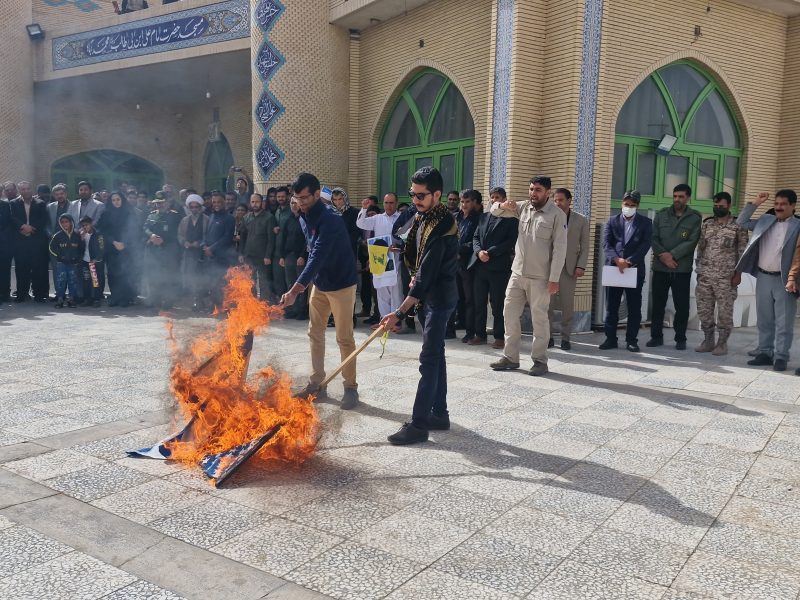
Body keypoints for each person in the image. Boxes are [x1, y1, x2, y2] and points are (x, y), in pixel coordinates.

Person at [380, 167, 459, 445]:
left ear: (437, 194)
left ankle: (419, 425)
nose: (415, 200)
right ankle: (439, 413)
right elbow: (415, 253)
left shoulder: (443, 225)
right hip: (428, 297)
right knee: (436, 355)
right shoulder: (422, 216)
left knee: (429, 359)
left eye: (421, 195)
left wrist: (399, 313)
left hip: (439, 298)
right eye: (412, 194)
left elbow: (426, 275)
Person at [279, 173, 360, 410]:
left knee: (344, 337)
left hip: (342, 284)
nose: (301, 203)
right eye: (297, 199)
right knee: (315, 333)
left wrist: (295, 290)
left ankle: (350, 387)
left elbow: (317, 255)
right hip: (321, 283)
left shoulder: (330, 219)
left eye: (305, 198)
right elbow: (310, 247)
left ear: (317, 194)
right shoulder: (304, 216)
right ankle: (316, 384)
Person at [490, 176, 567, 376]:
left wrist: (554, 279)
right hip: (517, 273)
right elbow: (494, 211)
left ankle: (540, 361)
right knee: (509, 314)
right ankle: (510, 357)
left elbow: (560, 249)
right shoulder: (523, 207)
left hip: (540, 278)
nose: (533, 193)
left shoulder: (557, 215)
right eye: (531, 189)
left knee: (539, 320)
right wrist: (502, 205)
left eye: (538, 190)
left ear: (548, 192)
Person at [736, 190, 800, 371]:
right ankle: (765, 352)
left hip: (785, 280)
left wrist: (793, 278)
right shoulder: (765, 220)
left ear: (793, 206)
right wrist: (756, 202)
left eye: (783, 204)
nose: (779, 207)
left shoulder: (798, 226)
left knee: (784, 322)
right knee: (764, 319)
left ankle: (781, 357)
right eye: (777, 203)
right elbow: (741, 222)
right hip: (763, 276)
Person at [647, 184, 702, 350]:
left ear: (688, 198)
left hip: (681, 269)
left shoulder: (694, 217)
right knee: (658, 305)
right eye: (675, 196)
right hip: (661, 268)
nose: (677, 199)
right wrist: (663, 256)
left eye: (681, 197)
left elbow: (692, 241)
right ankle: (656, 336)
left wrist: (672, 255)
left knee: (682, 307)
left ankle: (680, 338)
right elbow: (653, 237)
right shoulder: (661, 214)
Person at [694, 192, 748, 355]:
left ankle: (722, 343)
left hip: (726, 277)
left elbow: (743, 252)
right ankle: (708, 340)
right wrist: (699, 270)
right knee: (704, 310)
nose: (718, 209)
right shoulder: (707, 224)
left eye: (721, 206)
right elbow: (701, 248)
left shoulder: (738, 226)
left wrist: (738, 274)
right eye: (715, 206)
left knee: (725, 312)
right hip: (705, 275)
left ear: (729, 205)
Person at [599, 191, 653, 352]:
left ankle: (632, 340)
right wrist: (617, 259)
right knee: (612, 307)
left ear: (637, 206)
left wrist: (629, 261)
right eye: (626, 204)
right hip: (614, 269)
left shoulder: (646, 222)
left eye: (632, 205)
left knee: (634, 308)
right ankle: (610, 339)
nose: (629, 207)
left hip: (634, 270)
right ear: (622, 203)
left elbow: (646, 244)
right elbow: (606, 243)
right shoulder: (612, 221)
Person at [470, 186, 518, 349]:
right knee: (479, 302)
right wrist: (478, 252)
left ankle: (499, 336)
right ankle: (480, 334)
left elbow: (510, 242)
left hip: (498, 267)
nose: (494, 200)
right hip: (480, 266)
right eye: (492, 197)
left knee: (498, 304)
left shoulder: (511, 219)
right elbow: (476, 237)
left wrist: (490, 252)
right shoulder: (484, 217)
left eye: (497, 197)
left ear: (504, 199)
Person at [547, 188, 589, 351]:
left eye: (561, 200)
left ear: (569, 201)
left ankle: (566, 338)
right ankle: (548, 336)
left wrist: (581, 265)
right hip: (550, 267)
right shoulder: (549, 217)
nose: (557, 203)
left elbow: (585, 246)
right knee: (547, 305)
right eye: (555, 200)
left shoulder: (581, 220)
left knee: (567, 305)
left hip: (569, 268)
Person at [355, 192, 405, 325]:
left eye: (391, 203)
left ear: (396, 203)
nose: (389, 206)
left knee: (395, 291)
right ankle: (384, 320)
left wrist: (398, 246)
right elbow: (361, 223)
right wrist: (364, 209)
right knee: (382, 290)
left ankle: (395, 321)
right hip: (379, 258)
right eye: (386, 203)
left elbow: (407, 238)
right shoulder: (377, 218)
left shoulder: (401, 218)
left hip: (395, 258)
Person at [10, 181, 50, 302]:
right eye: (23, 189)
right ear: (19, 191)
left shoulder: (40, 203)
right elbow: (11, 218)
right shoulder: (13, 203)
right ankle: (22, 294)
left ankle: (39, 294)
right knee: (21, 268)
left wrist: (31, 228)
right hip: (20, 240)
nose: (26, 191)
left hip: (36, 240)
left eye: (28, 188)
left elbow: (44, 219)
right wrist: (22, 226)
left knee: (38, 268)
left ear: (31, 190)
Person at [98, 192, 138, 307]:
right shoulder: (106, 213)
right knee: (112, 273)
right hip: (111, 248)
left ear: (122, 200)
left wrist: (125, 243)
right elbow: (103, 231)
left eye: (118, 199)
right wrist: (114, 242)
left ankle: (126, 297)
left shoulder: (129, 213)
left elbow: (135, 230)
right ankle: (115, 296)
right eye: (114, 200)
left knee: (125, 272)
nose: (116, 202)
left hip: (127, 248)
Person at [143, 194, 182, 309]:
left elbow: (177, 232)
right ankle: (155, 300)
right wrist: (151, 235)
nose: (159, 205)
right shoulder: (152, 215)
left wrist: (163, 240)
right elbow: (145, 227)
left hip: (168, 250)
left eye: (161, 202)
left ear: (167, 202)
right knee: (153, 275)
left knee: (168, 276)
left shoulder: (174, 216)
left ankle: (168, 301)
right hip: (154, 251)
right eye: (157, 203)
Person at [238, 193, 276, 302]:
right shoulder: (246, 218)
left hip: (263, 257)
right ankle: (253, 305)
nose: (255, 204)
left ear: (262, 203)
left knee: (264, 283)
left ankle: (265, 306)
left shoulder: (269, 217)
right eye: (253, 202)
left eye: (257, 202)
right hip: (249, 255)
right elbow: (242, 238)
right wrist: (241, 254)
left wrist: (268, 256)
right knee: (250, 282)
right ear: (250, 203)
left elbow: (271, 239)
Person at [278, 196, 309, 319]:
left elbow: (308, 240)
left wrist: (302, 256)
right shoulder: (288, 220)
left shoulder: (305, 219)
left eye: (295, 203)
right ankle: (292, 309)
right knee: (290, 283)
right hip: (288, 256)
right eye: (291, 203)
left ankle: (302, 310)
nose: (293, 205)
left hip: (300, 257)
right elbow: (283, 238)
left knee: (300, 284)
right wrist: (282, 256)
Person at [205, 192, 236, 310]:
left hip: (223, 257)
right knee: (211, 282)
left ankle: (224, 306)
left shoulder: (229, 218)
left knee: (222, 283)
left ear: (224, 202)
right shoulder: (211, 216)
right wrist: (205, 246)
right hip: (210, 257)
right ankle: (215, 306)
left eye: (219, 202)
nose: (216, 204)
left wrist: (211, 248)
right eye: (214, 202)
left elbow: (227, 238)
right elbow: (207, 234)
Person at [178, 194, 209, 311]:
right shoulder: (184, 220)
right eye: (192, 207)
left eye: (196, 207)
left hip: (202, 254)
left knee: (202, 277)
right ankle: (195, 300)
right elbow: (180, 235)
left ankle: (201, 300)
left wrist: (200, 243)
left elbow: (209, 235)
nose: (194, 209)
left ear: (200, 207)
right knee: (191, 277)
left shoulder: (206, 219)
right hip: (189, 254)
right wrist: (184, 242)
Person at [49, 214, 83, 308]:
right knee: (61, 281)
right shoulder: (57, 236)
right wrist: (59, 256)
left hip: (73, 263)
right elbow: (51, 248)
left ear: (71, 222)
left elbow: (81, 249)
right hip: (61, 263)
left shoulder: (77, 235)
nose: (65, 224)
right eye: (62, 222)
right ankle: (60, 299)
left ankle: (71, 299)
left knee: (73, 281)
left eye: (66, 222)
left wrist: (78, 258)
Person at [78, 216, 105, 307]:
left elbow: (102, 248)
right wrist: (81, 239)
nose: (85, 227)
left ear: (91, 224)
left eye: (86, 225)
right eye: (83, 225)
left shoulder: (98, 234)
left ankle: (97, 299)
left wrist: (97, 258)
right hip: (85, 261)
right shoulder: (81, 234)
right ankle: (87, 299)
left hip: (94, 262)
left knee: (95, 281)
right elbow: (78, 248)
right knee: (86, 281)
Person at [271, 187, 291, 299]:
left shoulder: (292, 211)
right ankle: (281, 305)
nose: (280, 199)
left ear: (287, 196)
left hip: (288, 252)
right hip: (277, 252)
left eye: (283, 196)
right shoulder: (277, 211)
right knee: (278, 281)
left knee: (289, 282)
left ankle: (291, 306)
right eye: (278, 197)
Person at [0, 197, 12, 302]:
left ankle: (5, 294)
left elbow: (9, 222)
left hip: (4, 243)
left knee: (4, 269)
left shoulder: (6, 205)